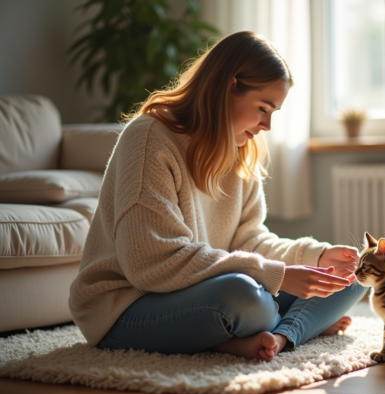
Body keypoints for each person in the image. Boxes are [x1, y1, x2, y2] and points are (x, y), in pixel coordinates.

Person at [69, 31, 367, 361]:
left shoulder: (242, 150)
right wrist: (277, 275)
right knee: (244, 297)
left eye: (273, 113)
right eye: (263, 108)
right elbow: (151, 262)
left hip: (197, 290)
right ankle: (295, 324)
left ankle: (279, 337)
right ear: (229, 86)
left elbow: (249, 240)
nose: (267, 125)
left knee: (351, 280)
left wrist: (315, 255)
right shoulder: (148, 137)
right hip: (127, 305)